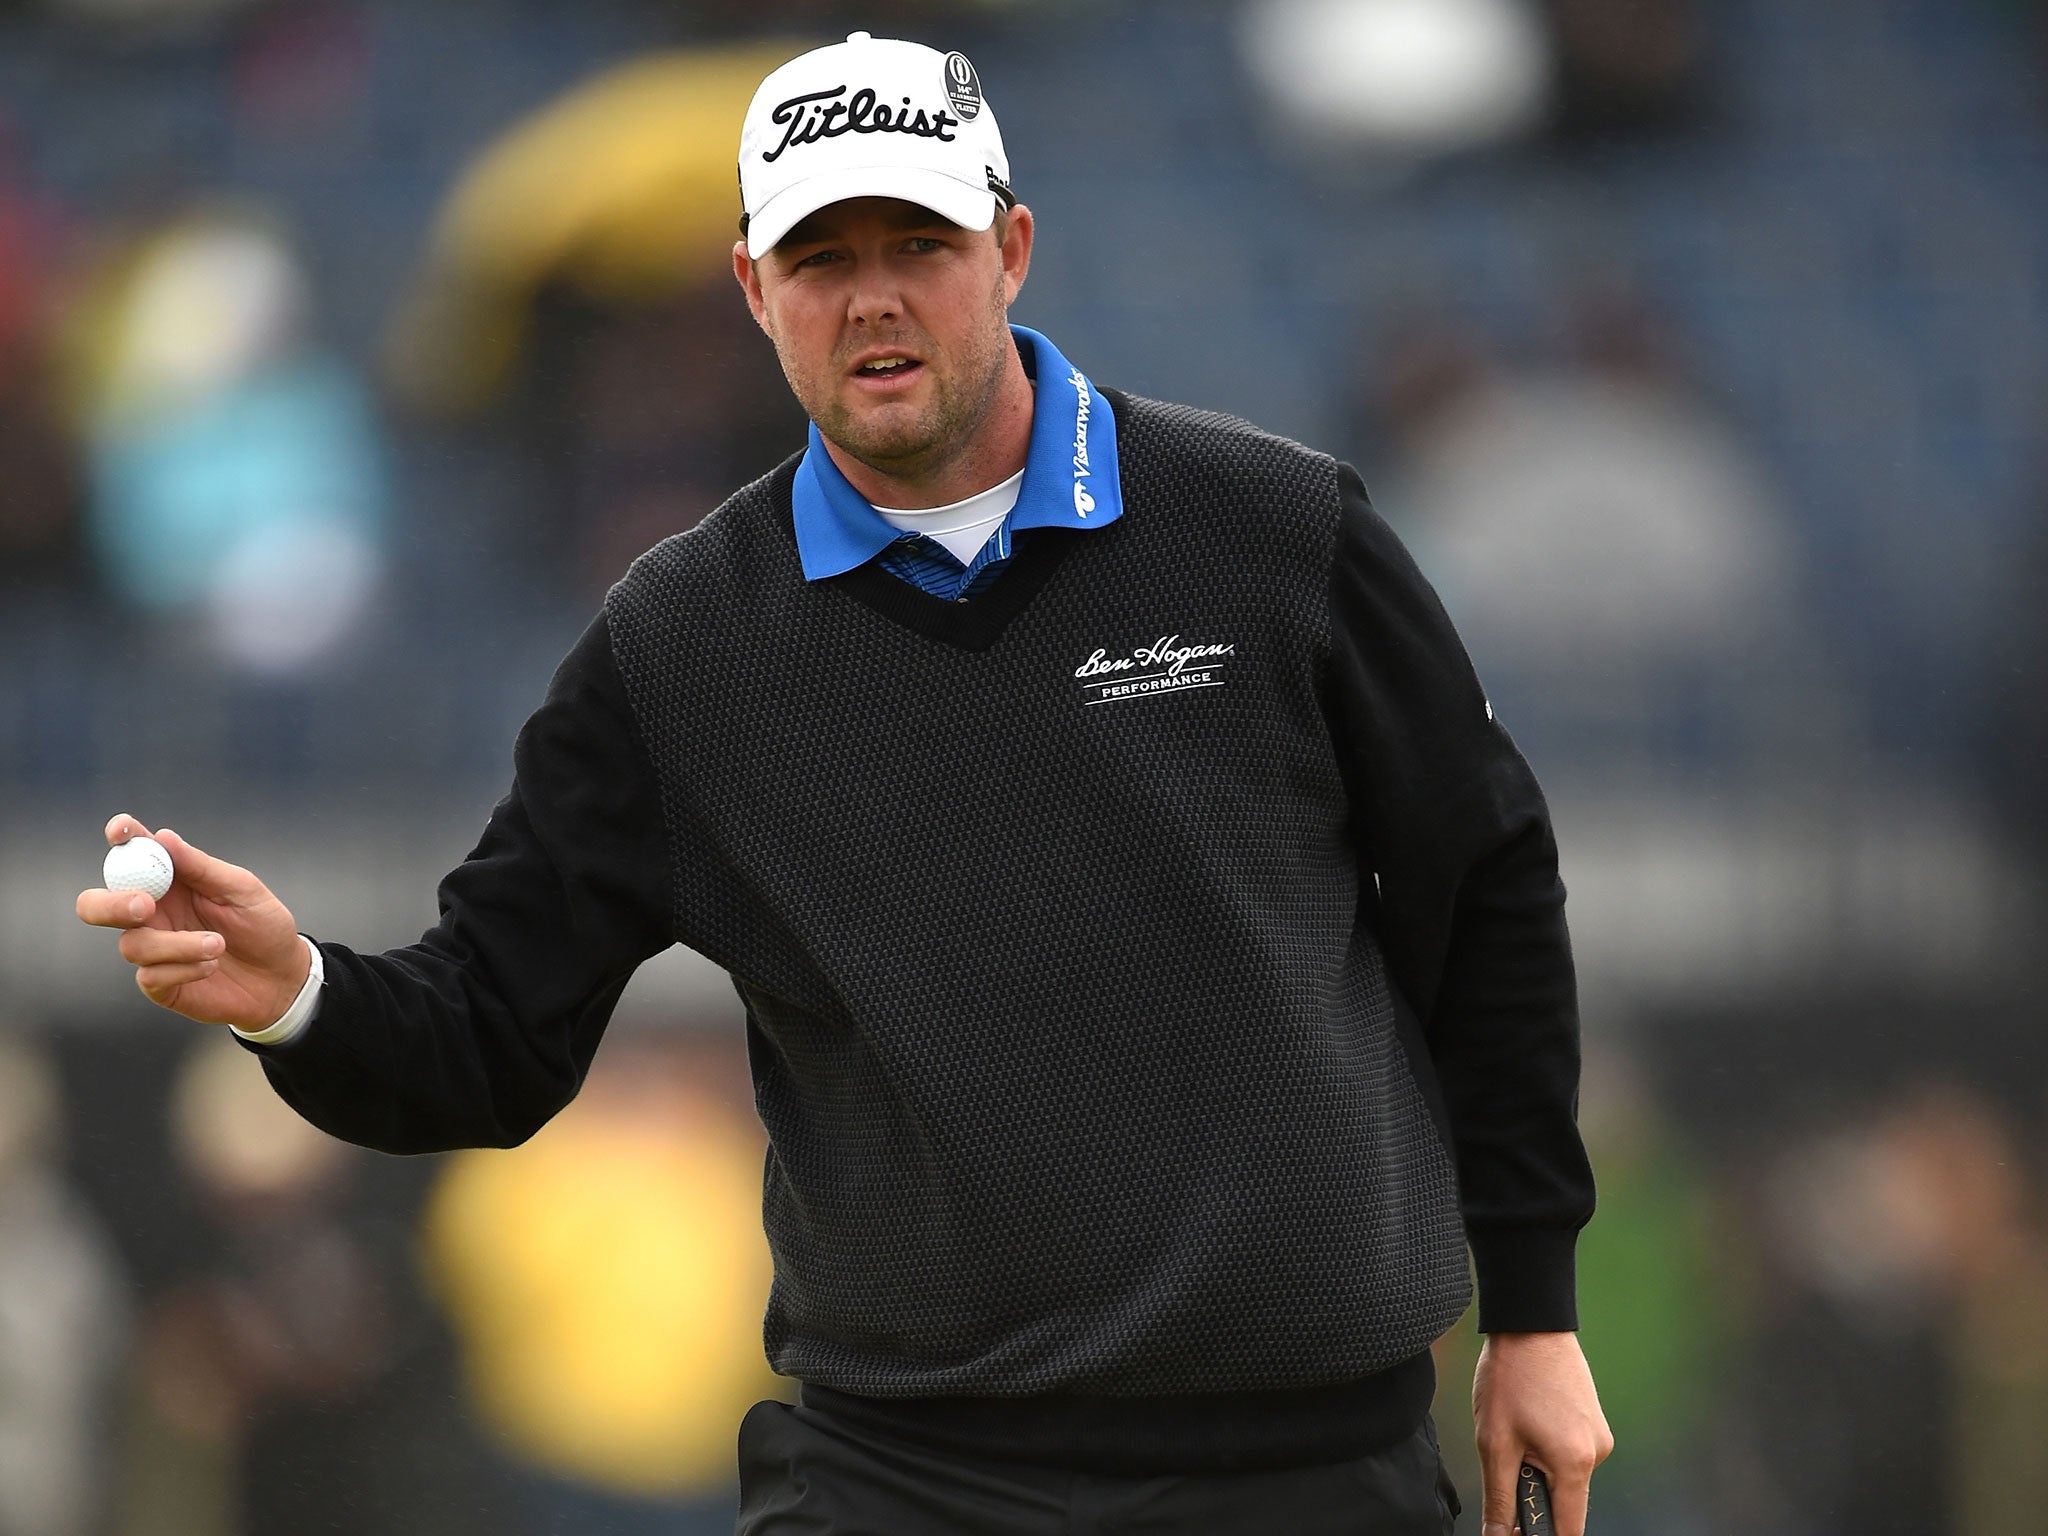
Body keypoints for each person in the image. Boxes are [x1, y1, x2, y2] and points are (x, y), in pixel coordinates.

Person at [76, 31, 1612, 1536]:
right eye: (819, 258)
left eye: (918, 243)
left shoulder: (1276, 529)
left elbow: (1484, 891)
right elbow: (488, 1032)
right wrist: (297, 996)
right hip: (907, 1475)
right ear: (754, 290)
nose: (873, 298)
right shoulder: (681, 645)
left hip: (1304, 1464)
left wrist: (1533, 1309)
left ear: (1010, 248)